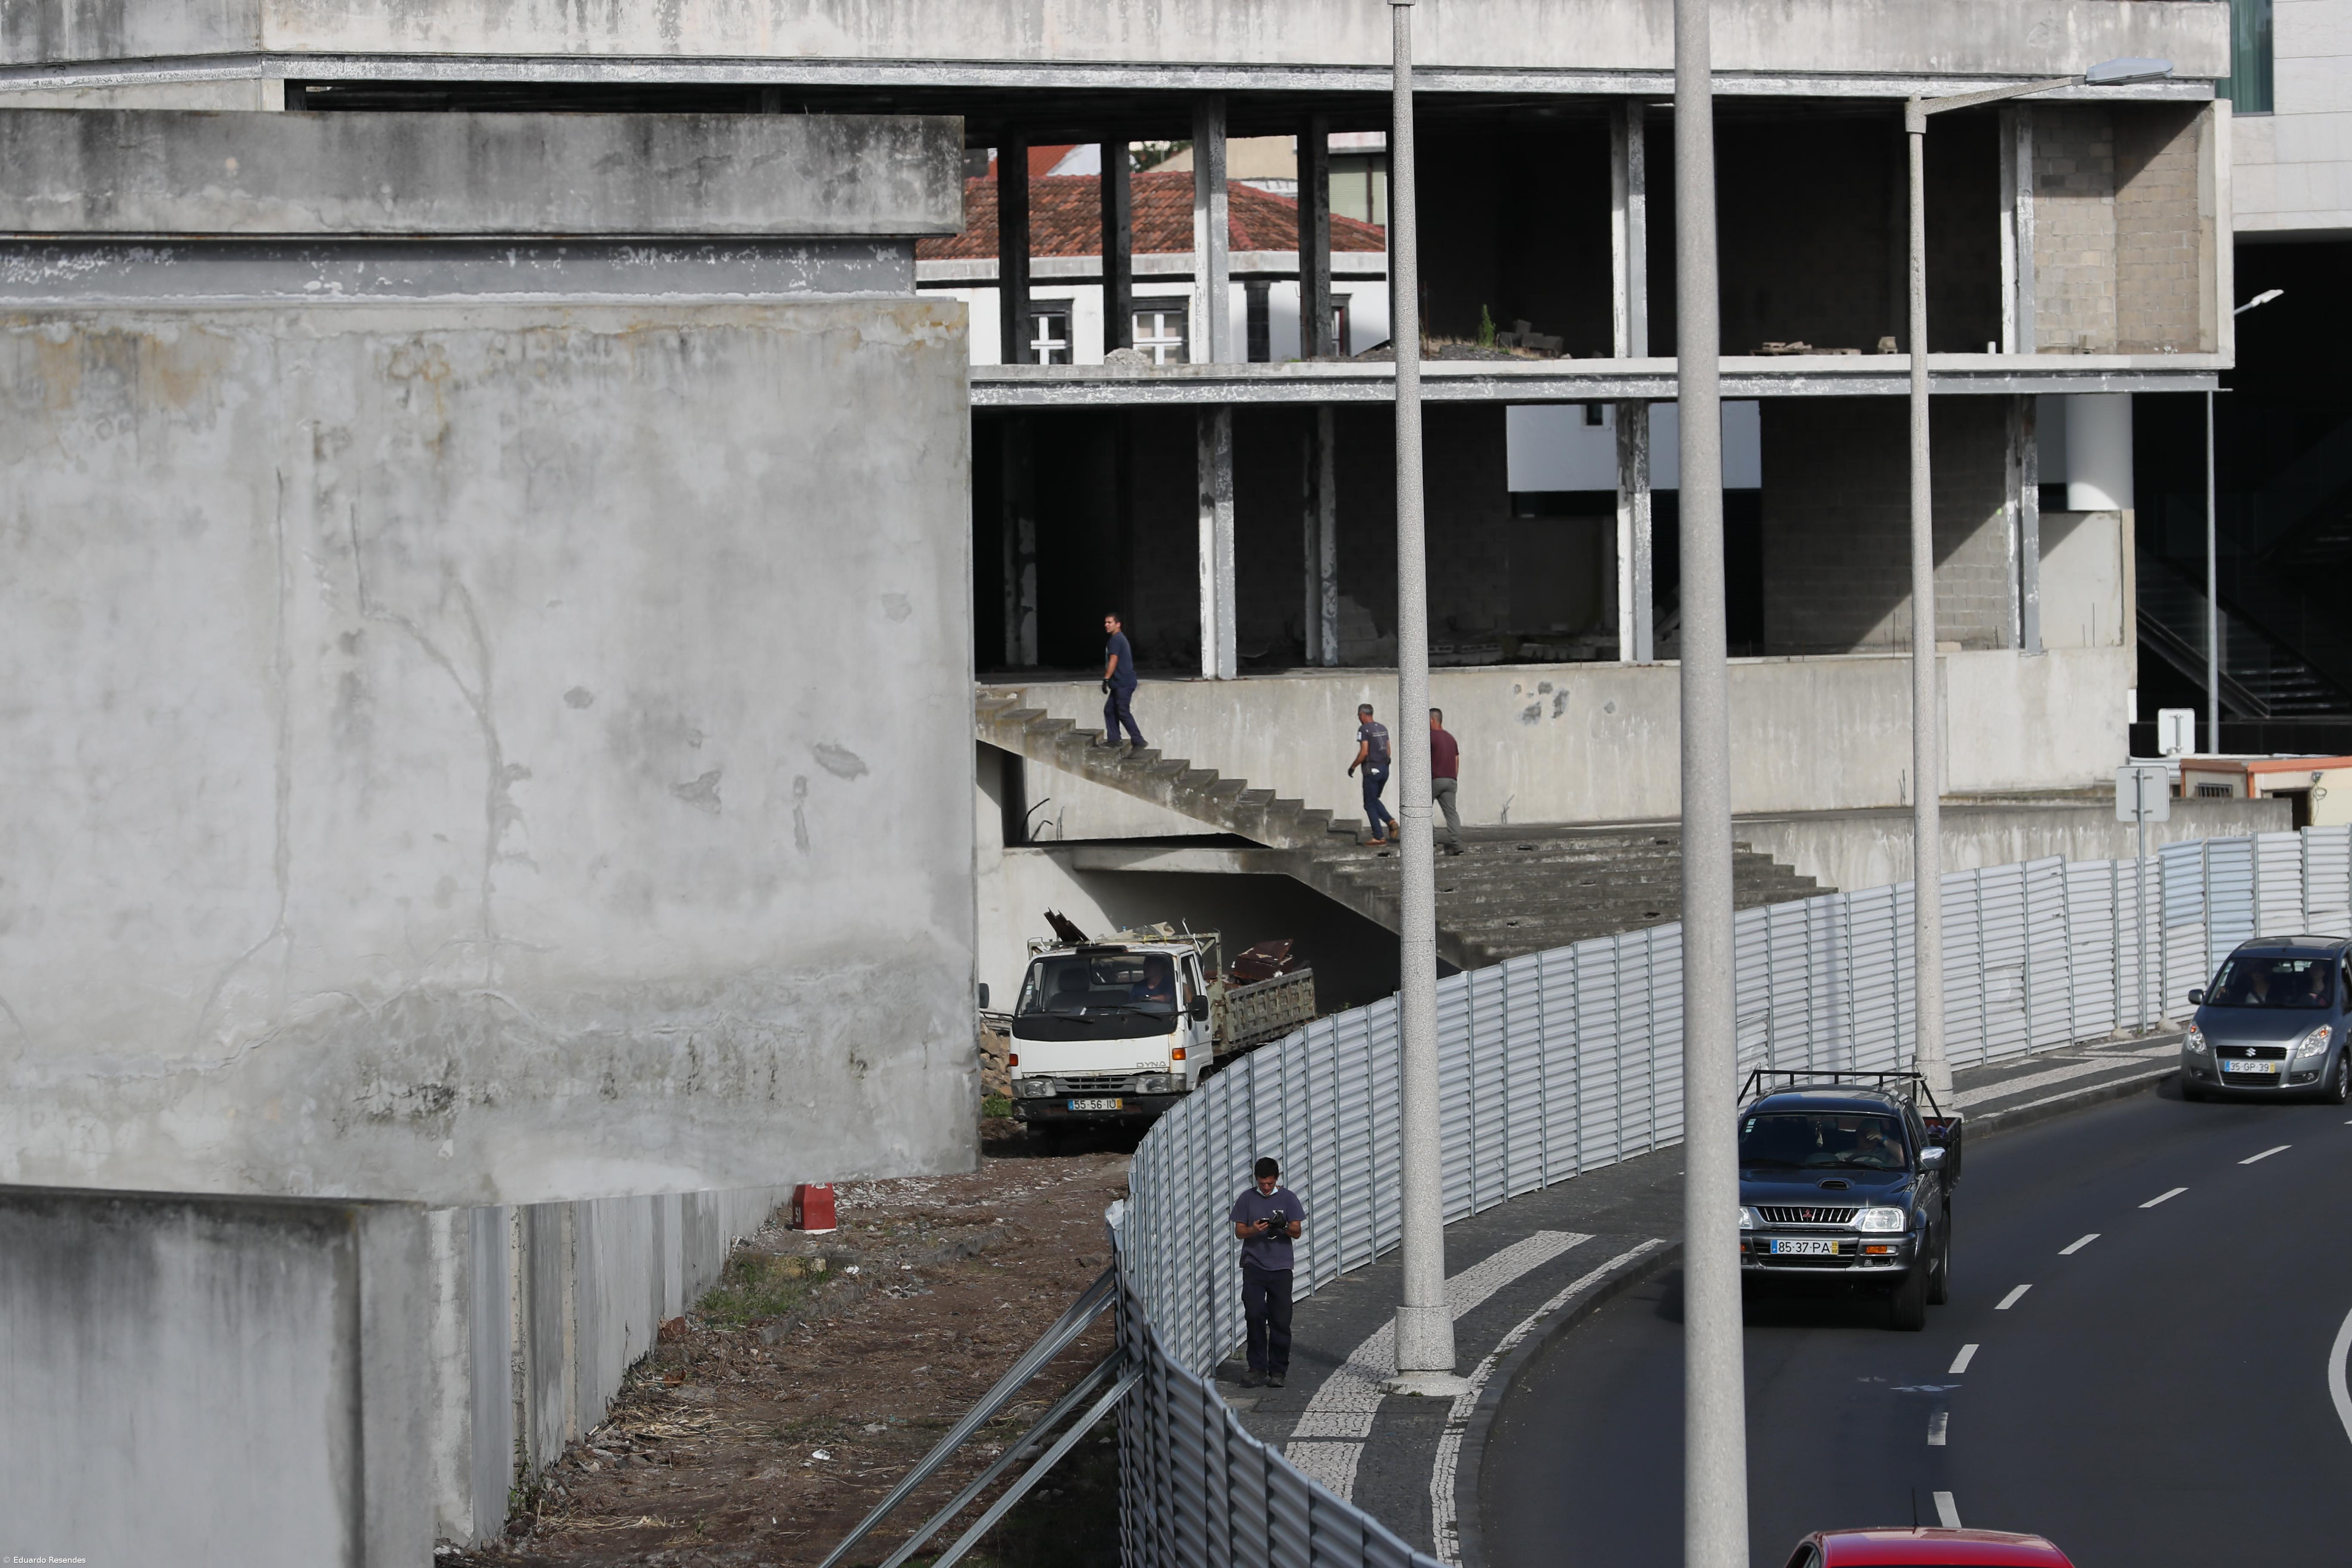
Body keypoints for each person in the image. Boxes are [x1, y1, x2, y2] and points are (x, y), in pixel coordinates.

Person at [1229, 1155, 1305, 1388]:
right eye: (1262, 1183)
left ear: (1277, 1179)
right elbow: (1239, 1232)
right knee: (1254, 1314)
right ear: (1256, 1179)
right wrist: (1254, 1229)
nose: (1266, 1187)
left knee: (1281, 1320)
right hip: (1254, 1266)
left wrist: (1283, 1225)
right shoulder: (1247, 1199)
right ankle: (1257, 1367)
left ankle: (1278, 1370)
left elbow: (1297, 1232)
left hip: (1281, 1267)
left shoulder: (1289, 1198)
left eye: (1270, 1183)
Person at [1348, 703, 1396, 846]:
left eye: (1359, 716)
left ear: (1362, 715)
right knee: (1374, 799)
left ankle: (1379, 836)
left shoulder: (1363, 730)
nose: (1359, 718)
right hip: (1385, 768)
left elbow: (1364, 752)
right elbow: (1388, 750)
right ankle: (1390, 822)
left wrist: (1353, 767)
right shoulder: (1383, 728)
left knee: (1369, 804)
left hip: (1372, 770)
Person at [1096, 612, 1145, 752]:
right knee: (1109, 710)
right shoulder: (1118, 639)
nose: (1106, 625)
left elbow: (1114, 660)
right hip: (1120, 683)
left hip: (1124, 683)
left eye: (1110, 622)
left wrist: (1106, 679)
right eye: (1106, 622)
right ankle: (1114, 740)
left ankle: (1138, 740)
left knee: (1123, 711)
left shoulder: (1116, 640)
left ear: (1118, 624)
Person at [1429, 708, 1464, 856]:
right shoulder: (1451, 738)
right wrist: (1454, 778)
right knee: (1451, 813)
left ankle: (1430, 840)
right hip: (1451, 780)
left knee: (1423, 810)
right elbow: (1457, 759)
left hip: (1434, 779)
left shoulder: (1429, 737)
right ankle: (1457, 844)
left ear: (1432, 720)